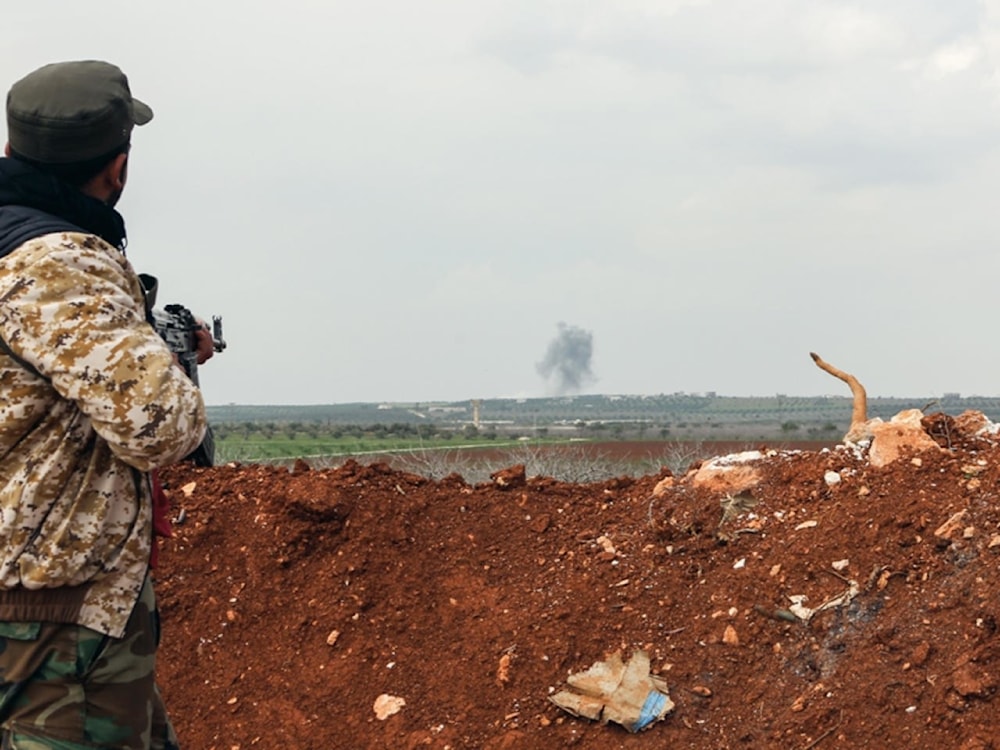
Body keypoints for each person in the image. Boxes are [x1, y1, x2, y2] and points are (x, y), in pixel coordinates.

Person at [0, 60, 208, 749]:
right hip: (48, 608)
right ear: (117, 167)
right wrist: (173, 369)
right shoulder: (55, 259)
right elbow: (159, 425)